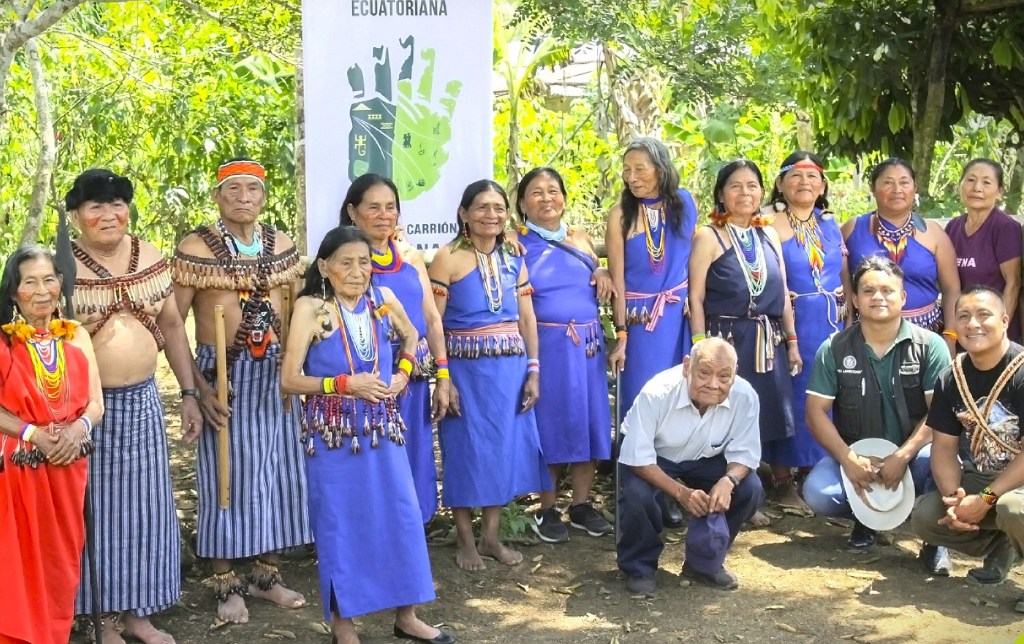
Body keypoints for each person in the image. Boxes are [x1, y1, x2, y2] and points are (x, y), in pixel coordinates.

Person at [282, 225, 454, 644]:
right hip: (334, 433)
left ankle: (407, 616)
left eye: (364, 262)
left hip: (381, 426)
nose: (358, 271)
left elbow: (413, 334)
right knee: (341, 522)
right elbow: (289, 379)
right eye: (346, 263)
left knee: (400, 515)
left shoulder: (382, 299)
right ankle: (345, 628)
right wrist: (341, 385)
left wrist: (403, 373)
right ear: (324, 266)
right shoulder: (311, 308)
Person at [172, 158, 312, 623]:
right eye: (233, 189)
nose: (244, 197)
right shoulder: (196, 247)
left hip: (277, 373)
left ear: (264, 195)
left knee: (276, 469)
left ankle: (265, 575)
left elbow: (302, 309)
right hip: (222, 375)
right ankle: (224, 580)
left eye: (253, 188)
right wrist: (195, 388)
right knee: (224, 477)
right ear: (217, 196)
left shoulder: (283, 244)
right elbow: (170, 323)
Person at [64, 169, 202, 643]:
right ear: (76, 216)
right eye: (95, 207)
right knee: (95, 510)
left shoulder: (152, 257)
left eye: (116, 204)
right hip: (83, 409)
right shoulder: (61, 265)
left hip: (143, 401)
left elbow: (174, 328)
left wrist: (189, 394)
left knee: (145, 508)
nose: (108, 215)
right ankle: (100, 616)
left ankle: (138, 612)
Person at [427, 180, 550, 571]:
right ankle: (465, 539)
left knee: (504, 450)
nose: (491, 215)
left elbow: (527, 318)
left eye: (499, 208)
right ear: (463, 213)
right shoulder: (447, 258)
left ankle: (491, 537)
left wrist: (533, 370)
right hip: (465, 371)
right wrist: (442, 378)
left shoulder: (515, 256)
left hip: (510, 369)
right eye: (482, 207)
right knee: (465, 450)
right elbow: (434, 323)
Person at [804, 256, 952, 572]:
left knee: (941, 462)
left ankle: (933, 537)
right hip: (859, 457)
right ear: (855, 299)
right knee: (818, 492)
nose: (878, 297)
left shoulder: (931, 346)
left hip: (915, 456)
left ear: (903, 297)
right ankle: (867, 518)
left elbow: (940, 413)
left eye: (887, 290)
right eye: (868, 290)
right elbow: (815, 413)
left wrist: (903, 455)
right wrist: (847, 459)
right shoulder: (834, 348)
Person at [0, 246, 104, 644]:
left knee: (59, 561)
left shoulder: (75, 333)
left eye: (49, 279)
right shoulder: (3, 340)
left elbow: (96, 403)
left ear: (61, 284)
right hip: (20, 465)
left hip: (67, 465)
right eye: (30, 282)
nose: (42, 290)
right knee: (18, 561)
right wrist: (33, 434)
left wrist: (78, 429)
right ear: (14, 292)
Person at [689, 159, 799, 526]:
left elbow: (782, 292)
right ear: (722, 193)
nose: (745, 193)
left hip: (767, 338)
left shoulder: (769, 234)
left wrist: (792, 341)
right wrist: (701, 348)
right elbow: (697, 297)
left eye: (752, 185)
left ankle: (764, 488)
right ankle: (732, 496)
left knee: (762, 413)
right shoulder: (709, 236)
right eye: (735, 186)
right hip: (727, 339)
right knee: (728, 415)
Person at [340, 173, 449, 524]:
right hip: (368, 382)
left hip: (411, 379)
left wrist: (443, 377)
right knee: (372, 459)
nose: (384, 215)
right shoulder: (343, 261)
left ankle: (410, 535)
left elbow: (431, 320)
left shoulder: (410, 257)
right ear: (353, 212)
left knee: (413, 454)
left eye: (391, 207)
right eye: (374, 207)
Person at [616, 338, 764, 594]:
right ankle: (640, 566)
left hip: (706, 457)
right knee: (637, 493)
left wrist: (728, 481)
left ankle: (704, 563)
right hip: (654, 458)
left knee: (749, 488)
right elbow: (638, 458)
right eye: (704, 373)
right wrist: (681, 493)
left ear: (734, 375)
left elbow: (746, 453)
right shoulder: (658, 392)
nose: (713, 384)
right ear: (687, 367)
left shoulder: (746, 396)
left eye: (724, 376)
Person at [515, 167, 614, 543]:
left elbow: (594, 270)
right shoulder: (516, 243)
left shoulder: (578, 237)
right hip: (550, 347)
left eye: (553, 191)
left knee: (589, 421)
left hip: (588, 345)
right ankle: (546, 507)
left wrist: (602, 270)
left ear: (564, 198)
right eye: (536, 193)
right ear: (522, 203)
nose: (546, 198)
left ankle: (583, 504)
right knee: (553, 423)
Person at [911, 285, 1024, 615]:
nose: (973, 323)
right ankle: (1005, 544)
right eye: (964, 316)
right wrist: (955, 500)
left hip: (1014, 485)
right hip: (987, 481)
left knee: (1014, 510)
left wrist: (986, 499)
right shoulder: (952, 377)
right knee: (927, 518)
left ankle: (1010, 531)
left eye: (984, 315)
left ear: (1005, 320)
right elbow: (944, 447)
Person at [766, 152, 846, 512]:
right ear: (781, 184)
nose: (804, 183)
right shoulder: (768, 223)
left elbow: (843, 271)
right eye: (795, 176)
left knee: (823, 398)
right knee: (789, 397)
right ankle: (782, 480)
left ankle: (814, 474)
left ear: (823, 185)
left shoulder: (829, 224)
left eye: (812, 177)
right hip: (791, 324)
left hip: (831, 324)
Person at [606, 137, 698, 416]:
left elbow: (692, 257)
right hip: (641, 322)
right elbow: (618, 280)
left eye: (640, 169)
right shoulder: (620, 214)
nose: (631, 178)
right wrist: (621, 335)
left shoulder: (684, 202)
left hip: (678, 317)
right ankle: (636, 460)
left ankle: (675, 461)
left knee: (681, 395)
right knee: (642, 397)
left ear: (661, 168)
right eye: (626, 170)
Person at [843, 158, 960, 354]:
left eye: (904, 182)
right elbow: (842, 283)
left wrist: (950, 336)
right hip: (866, 337)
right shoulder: (852, 229)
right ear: (873, 188)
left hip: (926, 337)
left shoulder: (934, 233)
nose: (897, 189)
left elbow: (952, 288)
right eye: (888, 182)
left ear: (915, 188)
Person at [944, 159, 1021, 341]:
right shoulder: (953, 227)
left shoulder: (1004, 227)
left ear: (1000, 191)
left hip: (993, 331)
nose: (977, 188)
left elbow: (1013, 284)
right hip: (964, 328)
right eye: (970, 180)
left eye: (986, 182)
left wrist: (1001, 332)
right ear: (960, 185)